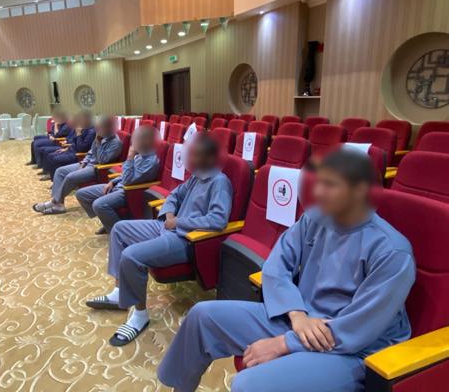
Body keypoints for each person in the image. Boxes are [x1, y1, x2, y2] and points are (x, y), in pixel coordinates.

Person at [157, 149, 416, 392]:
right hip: (303, 320)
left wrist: (283, 344)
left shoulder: (392, 251)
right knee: (202, 316)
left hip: (350, 349)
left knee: (248, 385)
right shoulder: (315, 218)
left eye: (330, 185)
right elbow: (275, 267)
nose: (318, 191)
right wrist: (297, 313)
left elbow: (358, 329)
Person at [86, 133, 233, 346]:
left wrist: (179, 222)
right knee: (119, 229)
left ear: (209, 158)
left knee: (131, 256)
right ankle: (119, 292)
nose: (190, 160)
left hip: (185, 239)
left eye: (195, 155)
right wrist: (170, 214)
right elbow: (174, 195)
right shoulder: (197, 175)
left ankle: (140, 315)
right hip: (167, 226)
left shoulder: (219, 182)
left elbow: (218, 220)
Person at [76, 125, 160, 235]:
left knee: (99, 205)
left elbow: (129, 180)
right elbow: (125, 174)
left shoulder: (151, 161)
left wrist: (130, 156)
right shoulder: (140, 154)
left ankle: (119, 233)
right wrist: (113, 181)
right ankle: (108, 221)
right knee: (82, 194)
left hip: (127, 192)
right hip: (117, 185)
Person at [32, 115, 122, 215]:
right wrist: (84, 162)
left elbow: (102, 160)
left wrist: (98, 142)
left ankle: (55, 203)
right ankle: (58, 203)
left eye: (101, 127)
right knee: (60, 171)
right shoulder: (100, 136)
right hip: (87, 164)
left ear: (109, 128)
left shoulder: (115, 143)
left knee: (70, 177)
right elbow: (90, 152)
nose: (98, 129)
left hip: (97, 168)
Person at [38, 110, 96, 181]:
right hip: (71, 150)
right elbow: (74, 142)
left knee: (54, 158)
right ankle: (53, 177)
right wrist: (66, 149)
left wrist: (78, 135)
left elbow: (82, 148)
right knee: (51, 155)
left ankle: (55, 179)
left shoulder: (91, 131)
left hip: (77, 155)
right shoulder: (82, 127)